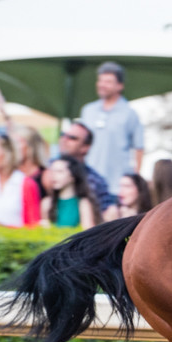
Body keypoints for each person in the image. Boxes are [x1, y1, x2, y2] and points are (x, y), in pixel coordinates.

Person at [79, 61, 145, 193]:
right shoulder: (88, 110)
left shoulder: (130, 113)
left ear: (119, 86)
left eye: (108, 82)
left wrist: (134, 177)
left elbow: (139, 147)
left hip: (116, 186)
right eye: (100, 81)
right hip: (89, 183)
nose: (102, 85)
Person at [45, 119, 117, 218]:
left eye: (72, 138)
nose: (64, 140)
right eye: (63, 135)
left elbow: (103, 217)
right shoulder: (45, 169)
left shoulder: (95, 181)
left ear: (85, 147)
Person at [41, 156, 101, 229]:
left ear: (73, 175)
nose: (54, 176)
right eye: (52, 171)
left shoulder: (83, 203)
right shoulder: (47, 203)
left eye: (59, 171)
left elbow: (87, 232)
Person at [8, 123, 49, 190]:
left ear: (31, 146)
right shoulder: (8, 172)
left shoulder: (45, 176)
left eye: (17, 142)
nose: (12, 147)